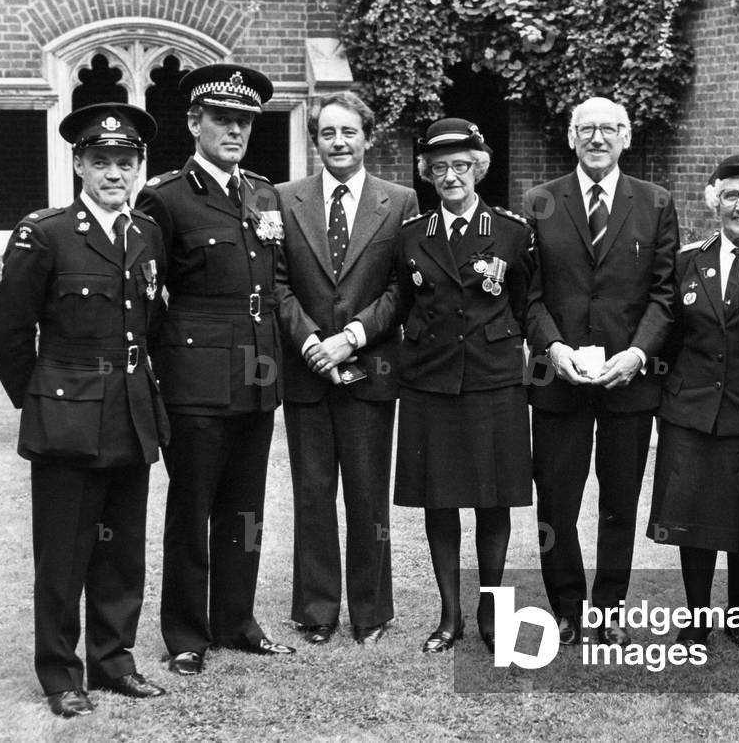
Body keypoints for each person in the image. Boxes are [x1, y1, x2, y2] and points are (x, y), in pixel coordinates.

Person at [0, 103, 168, 716]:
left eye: (125, 162)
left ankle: (114, 662)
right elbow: (6, 326)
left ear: (139, 168)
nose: (114, 173)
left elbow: (150, 319)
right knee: (64, 553)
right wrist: (39, 396)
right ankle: (62, 675)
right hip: (67, 416)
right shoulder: (48, 232)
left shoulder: (145, 232)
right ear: (80, 166)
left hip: (130, 412)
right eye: (101, 162)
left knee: (122, 550)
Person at [135, 63, 293, 675]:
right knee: (193, 504)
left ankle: (237, 620)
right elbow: (147, 292)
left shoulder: (261, 191)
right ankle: (184, 634)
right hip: (196, 377)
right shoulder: (166, 195)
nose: (235, 130)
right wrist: (164, 363)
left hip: (257, 373)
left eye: (244, 121)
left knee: (246, 507)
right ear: (195, 122)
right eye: (223, 119)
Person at [524, 96, 679, 646]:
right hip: (558, 383)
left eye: (609, 129)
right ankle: (567, 606)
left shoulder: (656, 203)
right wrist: (554, 349)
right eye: (586, 129)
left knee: (619, 503)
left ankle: (609, 608)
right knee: (557, 503)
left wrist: (637, 355)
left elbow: (665, 295)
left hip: (628, 383)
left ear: (626, 137)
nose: (597, 138)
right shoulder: (540, 202)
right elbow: (531, 296)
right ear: (571, 137)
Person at [274, 91, 419, 646]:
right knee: (312, 493)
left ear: (368, 136)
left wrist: (352, 337)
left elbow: (401, 286)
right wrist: (314, 342)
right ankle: (316, 610)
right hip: (307, 371)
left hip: (371, 368)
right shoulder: (284, 199)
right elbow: (278, 283)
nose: (339, 142)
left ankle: (370, 611)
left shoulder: (400, 201)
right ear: (316, 140)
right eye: (328, 133)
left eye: (349, 132)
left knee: (366, 493)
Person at [395, 118, 535, 654]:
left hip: (493, 380)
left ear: (478, 167)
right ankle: (449, 616)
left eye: (461, 165)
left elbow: (526, 305)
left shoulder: (513, 232)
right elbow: (401, 304)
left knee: (493, 501)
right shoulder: (412, 236)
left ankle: (491, 612)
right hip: (431, 381)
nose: (451, 176)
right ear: (427, 174)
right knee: (440, 501)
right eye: (439, 168)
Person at [646, 155, 739, 650]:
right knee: (694, 520)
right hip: (691, 413)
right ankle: (696, 616)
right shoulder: (689, 260)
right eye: (730, 195)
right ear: (715, 201)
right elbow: (667, 335)